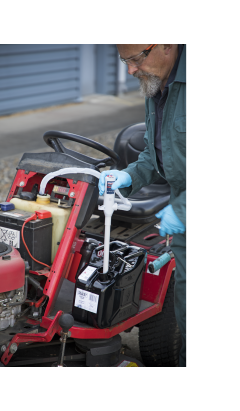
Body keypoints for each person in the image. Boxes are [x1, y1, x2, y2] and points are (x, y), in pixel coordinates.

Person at [99, 44, 187, 366]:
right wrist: (127, 176)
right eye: (125, 61)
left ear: (165, 43)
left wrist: (182, 208)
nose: (131, 70)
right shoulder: (156, 85)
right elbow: (154, 154)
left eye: (137, 58)